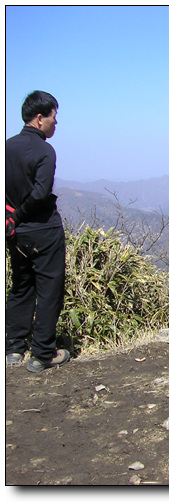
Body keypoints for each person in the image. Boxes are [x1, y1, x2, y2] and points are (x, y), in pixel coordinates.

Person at [5, 90, 70, 372]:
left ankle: (13, 349)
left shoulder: (7, 147)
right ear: (40, 118)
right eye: (54, 117)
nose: (56, 123)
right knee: (49, 288)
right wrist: (19, 214)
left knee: (21, 286)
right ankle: (43, 352)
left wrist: (10, 218)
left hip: (15, 233)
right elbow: (41, 193)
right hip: (43, 229)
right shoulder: (44, 151)